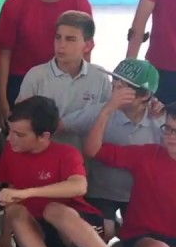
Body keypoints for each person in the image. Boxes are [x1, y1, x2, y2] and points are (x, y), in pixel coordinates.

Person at [0, 97, 147, 247]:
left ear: (44, 137)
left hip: (74, 234)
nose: (11, 138)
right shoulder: (11, 152)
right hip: (39, 242)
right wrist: (4, 239)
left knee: (53, 209)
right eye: (10, 131)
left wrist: (27, 192)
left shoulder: (65, 153)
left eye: (19, 134)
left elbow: (78, 186)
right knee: (15, 208)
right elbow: (10, 198)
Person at [83, 83, 176, 247]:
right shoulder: (147, 155)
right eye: (167, 129)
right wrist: (107, 110)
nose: (170, 136)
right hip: (143, 239)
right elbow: (93, 149)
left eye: (175, 131)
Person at [0, 0, 93, 128]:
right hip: (21, 81)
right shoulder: (16, 2)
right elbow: (4, 53)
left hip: (64, 80)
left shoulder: (79, 3)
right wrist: (2, 101)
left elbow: (85, 53)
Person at [63, 59, 165, 229]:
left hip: (140, 197)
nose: (115, 93)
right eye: (114, 85)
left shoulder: (159, 119)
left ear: (145, 95)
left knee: (144, 238)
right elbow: (83, 144)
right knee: (98, 235)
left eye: (122, 88)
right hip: (100, 192)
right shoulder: (102, 110)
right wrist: (106, 112)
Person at [14, 11, 112, 149]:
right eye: (58, 38)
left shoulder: (100, 76)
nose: (61, 45)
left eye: (70, 39)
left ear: (88, 45)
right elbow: (21, 121)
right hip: (44, 157)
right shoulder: (36, 76)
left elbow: (108, 119)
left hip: (85, 158)